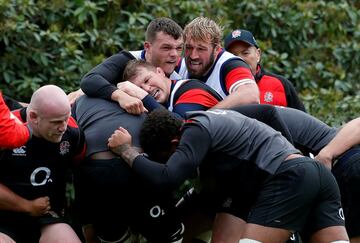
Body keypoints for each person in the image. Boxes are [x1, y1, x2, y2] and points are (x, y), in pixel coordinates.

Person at [108, 108, 349, 243]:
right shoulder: (220, 122)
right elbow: (267, 112)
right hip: (317, 175)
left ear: (175, 143)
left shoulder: (195, 129)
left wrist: (127, 152)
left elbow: (166, 178)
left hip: (290, 176)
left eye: (169, 158)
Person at [72, 95, 184, 243]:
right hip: (126, 164)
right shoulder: (133, 91)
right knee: (168, 233)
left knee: (107, 233)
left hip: (97, 170)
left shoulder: (81, 99)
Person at [0, 85, 85, 243]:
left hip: (48, 217)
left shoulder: (74, 133)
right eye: (57, 122)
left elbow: (83, 173)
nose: (63, 127)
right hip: (5, 219)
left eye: (66, 118)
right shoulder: (5, 131)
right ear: (33, 116)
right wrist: (27, 206)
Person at [75, 17, 184, 114]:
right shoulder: (126, 59)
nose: (174, 54)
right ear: (147, 47)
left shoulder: (182, 77)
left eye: (179, 48)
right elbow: (90, 80)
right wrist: (122, 97)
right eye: (166, 48)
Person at [176, 17, 260, 108]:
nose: (193, 55)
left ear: (216, 49)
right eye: (189, 47)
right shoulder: (179, 64)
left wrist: (205, 117)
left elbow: (251, 94)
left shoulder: (229, 64)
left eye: (201, 49)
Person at [224, 29, 306, 111]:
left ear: (258, 54)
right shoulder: (219, 86)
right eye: (232, 55)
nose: (240, 59)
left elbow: (302, 121)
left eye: (245, 53)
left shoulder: (281, 84)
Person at [117, 59, 223, 117]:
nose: (147, 89)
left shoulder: (191, 89)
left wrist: (143, 96)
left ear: (160, 72)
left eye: (147, 80)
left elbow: (180, 127)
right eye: (139, 89)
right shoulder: (165, 102)